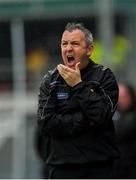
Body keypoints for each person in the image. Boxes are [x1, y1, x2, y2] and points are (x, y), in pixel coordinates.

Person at [37, 22, 119, 179]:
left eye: (75, 43)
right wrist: (87, 119)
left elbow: (102, 116)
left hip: (99, 166)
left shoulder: (104, 76)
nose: (68, 48)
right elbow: (45, 124)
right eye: (64, 43)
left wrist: (78, 85)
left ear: (89, 50)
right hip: (61, 167)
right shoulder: (50, 80)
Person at [113, 82, 136, 178]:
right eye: (119, 97)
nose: (122, 100)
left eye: (124, 97)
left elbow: (120, 132)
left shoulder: (133, 115)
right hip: (115, 166)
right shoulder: (113, 111)